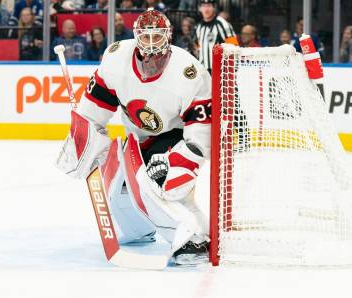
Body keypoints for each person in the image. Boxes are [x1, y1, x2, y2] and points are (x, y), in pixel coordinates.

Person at [55, 9, 211, 264]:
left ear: (168, 37)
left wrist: (180, 163)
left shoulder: (189, 72)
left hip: (174, 137)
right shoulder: (116, 58)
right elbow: (95, 107)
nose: (151, 44)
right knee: (119, 195)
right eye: (145, 37)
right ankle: (139, 230)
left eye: (157, 37)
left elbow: (201, 133)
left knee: (158, 184)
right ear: (136, 36)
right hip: (136, 138)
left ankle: (195, 237)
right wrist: (83, 136)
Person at [195, 0, 238, 72]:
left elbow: (234, 45)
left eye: (209, 6)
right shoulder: (199, 27)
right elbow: (200, 47)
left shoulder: (222, 23)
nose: (206, 9)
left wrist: (231, 68)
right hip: (203, 70)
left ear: (214, 8)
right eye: (203, 6)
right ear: (200, 8)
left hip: (220, 70)